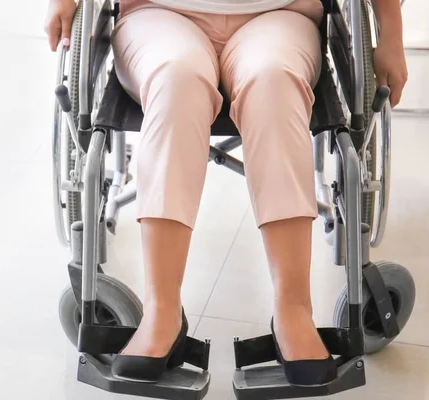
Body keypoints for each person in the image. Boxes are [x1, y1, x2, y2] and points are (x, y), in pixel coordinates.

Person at [45, 0, 407, 386]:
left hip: (279, 15)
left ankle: (293, 308)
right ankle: (161, 310)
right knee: (175, 79)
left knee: (273, 81)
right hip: (159, 14)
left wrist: (390, 28)